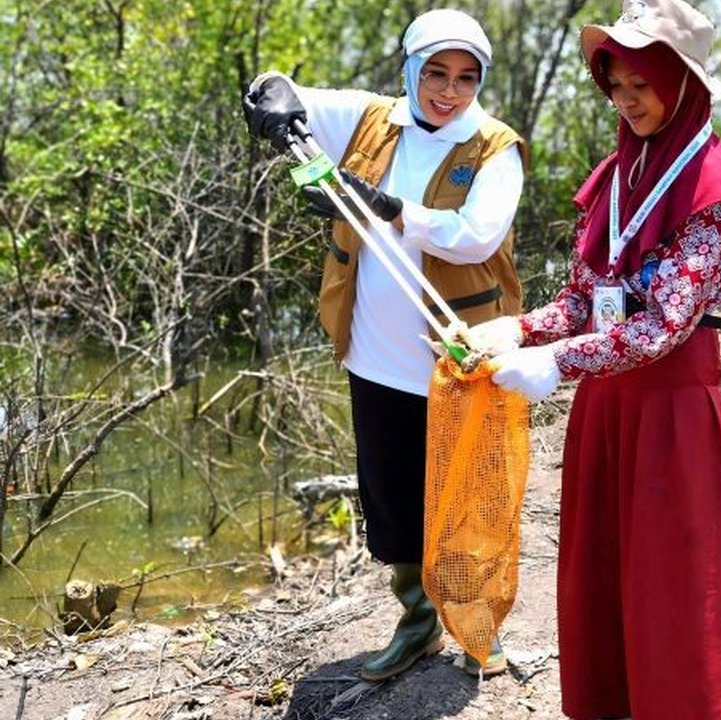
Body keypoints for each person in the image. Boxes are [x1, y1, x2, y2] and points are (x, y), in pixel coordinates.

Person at [461, 1, 721, 717]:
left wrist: (558, 364)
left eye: (641, 85)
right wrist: (519, 330)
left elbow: (664, 327)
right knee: (602, 571)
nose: (626, 101)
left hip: (673, 414)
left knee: (673, 581)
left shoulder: (710, 186)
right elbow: (585, 300)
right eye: (615, 86)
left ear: (681, 80)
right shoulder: (616, 174)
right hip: (607, 405)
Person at [241, 8, 525, 681]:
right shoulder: (373, 118)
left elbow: (477, 235)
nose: (448, 91)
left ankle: (479, 627)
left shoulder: (494, 146)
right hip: (374, 352)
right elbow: (288, 92)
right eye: (435, 72)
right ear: (411, 69)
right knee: (391, 497)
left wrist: (388, 208)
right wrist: (275, 96)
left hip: (455, 354)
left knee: (468, 496)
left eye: (464, 77)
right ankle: (419, 622)